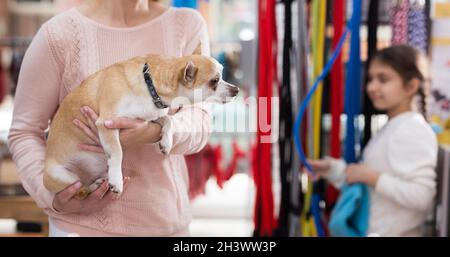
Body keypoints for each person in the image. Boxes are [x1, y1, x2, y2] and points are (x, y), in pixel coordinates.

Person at [8, 0, 212, 236]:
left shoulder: (186, 25)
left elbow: (201, 121)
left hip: (166, 224)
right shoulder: (59, 34)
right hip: (81, 228)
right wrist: (53, 196)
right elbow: (24, 132)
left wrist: (154, 132)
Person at [309, 45, 438, 236]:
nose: (371, 87)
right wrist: (333, 170)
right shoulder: (394, 126)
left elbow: (422, 197)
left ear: (411, 86)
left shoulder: (412, 129)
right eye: (370, 79)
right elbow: (373, 181)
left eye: (383, 79)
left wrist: (370, 176)